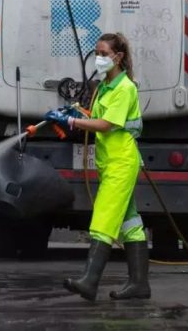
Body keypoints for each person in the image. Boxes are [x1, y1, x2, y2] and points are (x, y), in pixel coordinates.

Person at [44, 33, 149, 301]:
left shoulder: (125, 88)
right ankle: (139, 285)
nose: (99, 58)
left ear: (118, 57)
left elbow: (107, 125)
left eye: (104, 53)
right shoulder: (106, 85)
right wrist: (73, 114)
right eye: (97, 53)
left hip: (121, 163)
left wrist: (73, 124)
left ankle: (90, 281)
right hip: (109, 162)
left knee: (103, 219)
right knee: (130, 223)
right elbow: (97, 117)